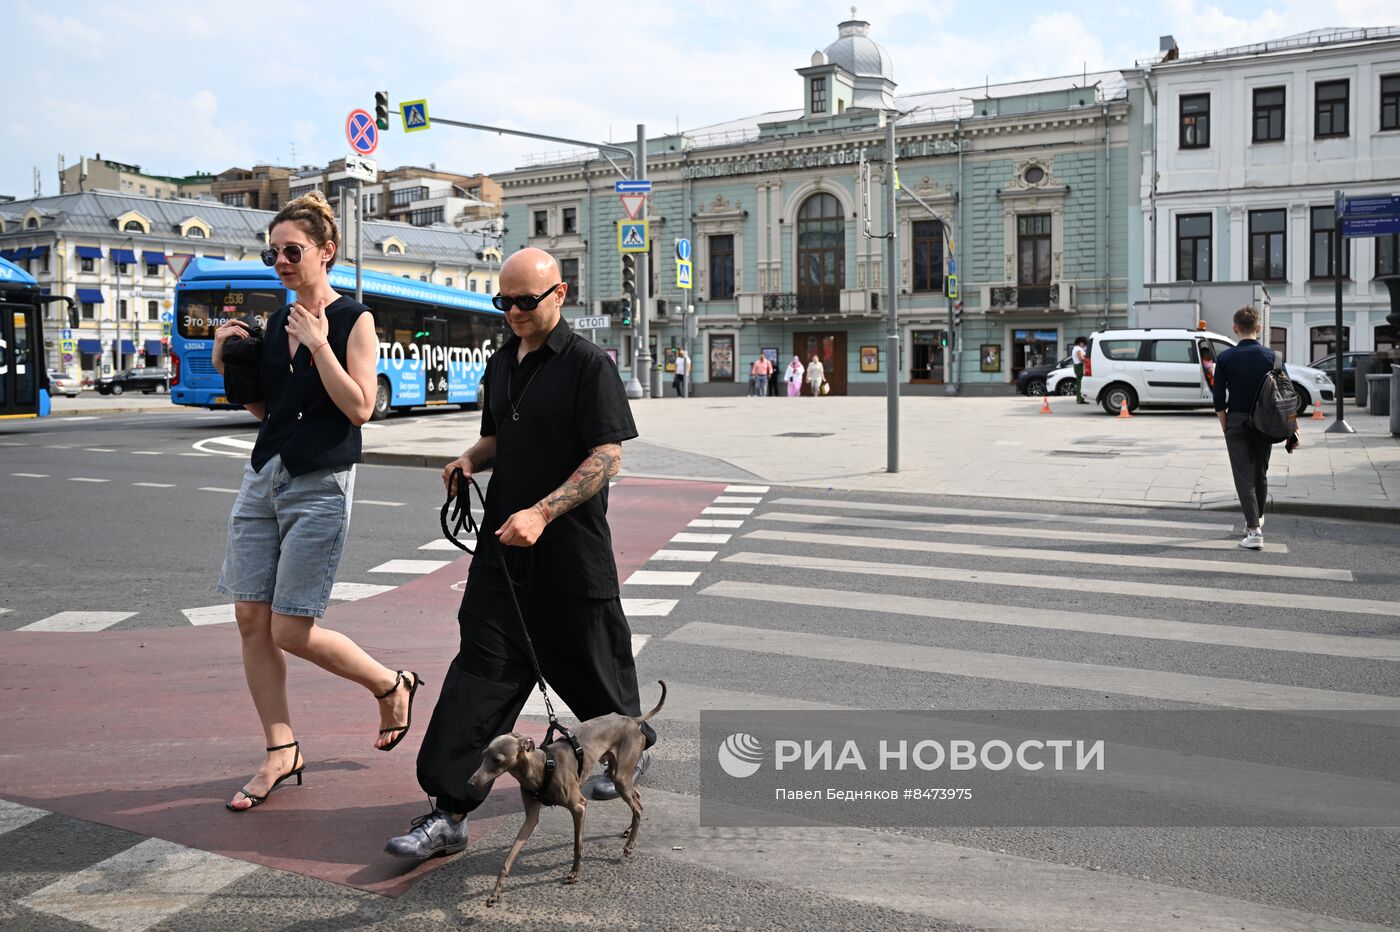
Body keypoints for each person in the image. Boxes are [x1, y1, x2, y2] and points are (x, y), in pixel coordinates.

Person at [386, 247, 655, 860]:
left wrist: (542, 512)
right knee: (477, 678)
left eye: (525, 301)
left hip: (571, 558)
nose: (512, 312)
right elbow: (500, 436)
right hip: (503, 560)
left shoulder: (589, 365)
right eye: (502, 301)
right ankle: (448, 810)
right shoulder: (503, 361)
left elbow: (608, 456)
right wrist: (469, 460)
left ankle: (623, 753)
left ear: (560, 295)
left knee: (601, 681)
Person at [212, 191, 422, 812]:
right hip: (265, 475)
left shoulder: (355, 319)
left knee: (291, 628)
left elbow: (359, 407)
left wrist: (321, 341)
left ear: (326, 252)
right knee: (250, 618)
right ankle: (281, 749)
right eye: (272, 251)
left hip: (322, 482)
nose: (280, 261)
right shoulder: (277, 323)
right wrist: (234, 361)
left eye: (292, 250)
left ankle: (389, 683)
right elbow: (268, 410)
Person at [1212, 305, 1300, 550]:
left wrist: (1224, 424)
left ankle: (1253, 530)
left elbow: (1218, 397)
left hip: (1237, 421)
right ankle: (1257, 518)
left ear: (1235, 329)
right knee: (1260, 471)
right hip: (1266, 422)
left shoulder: (1225, 357)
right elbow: (1287, 395)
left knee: (1243, 474)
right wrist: (1293, 427)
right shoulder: (1274, 357)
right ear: (1259, 328)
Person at [1071, 336, 1088, 404]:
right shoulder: (1078, 349)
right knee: (1080, 383)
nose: (1084, 345)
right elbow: (1081, 358)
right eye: (1083, 343)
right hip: (1079, 366)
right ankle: (1079, 398)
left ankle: (1080, 398)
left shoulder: (1075, 348)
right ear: (1080, 342)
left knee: (1079, 382)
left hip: (1076, 366)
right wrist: (1087, 360)